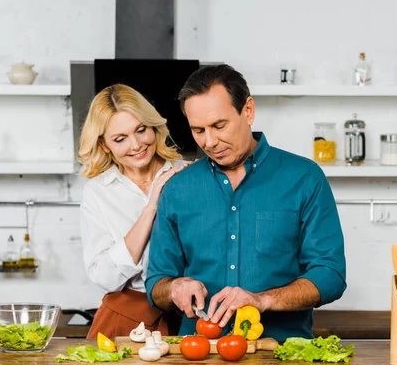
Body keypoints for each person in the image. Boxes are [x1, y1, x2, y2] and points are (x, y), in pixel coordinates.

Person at [145, 64, 346, 341]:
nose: (210, 141)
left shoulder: (304, 178)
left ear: (248, 111)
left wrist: (262, 300)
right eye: (198, 130)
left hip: (280, 352)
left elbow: (330, 274)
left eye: (219, 125)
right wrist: (174, 287)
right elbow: (156, 283)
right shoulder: (178, 189)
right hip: (199, 353)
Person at [78, 84, 189, 339]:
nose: (137, 144)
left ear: (154, 127)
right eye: (120, 139)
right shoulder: (97, 192)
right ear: (104, 145)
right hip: (125, 320)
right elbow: (105, 277)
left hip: (189, 317)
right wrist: (151, 208)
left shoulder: (188, 174)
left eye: (141, 130)